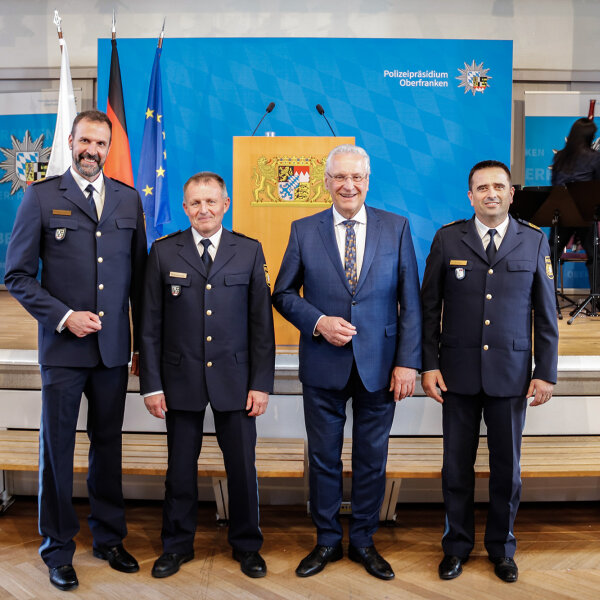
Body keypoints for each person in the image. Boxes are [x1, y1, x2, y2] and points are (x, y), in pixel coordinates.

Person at [5, 110, 147, 591]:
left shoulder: (129, 200)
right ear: (70, 141)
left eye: (101, 143)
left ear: (109, 148)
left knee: (108, 448)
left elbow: (141, 284)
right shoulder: (41, 197)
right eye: (85, 140)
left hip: (112, 354)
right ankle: (58, 549)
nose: (92, 150)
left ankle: (108, 538)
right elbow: (17, 276)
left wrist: (141, 348)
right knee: (57, 450)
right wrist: (65, 316)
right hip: (64, 352)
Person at [272, 144, 422, 581]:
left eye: (356, 177)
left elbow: (409, 302)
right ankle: (325, 541)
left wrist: (407, 363)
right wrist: (317, 322)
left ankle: (363, 541)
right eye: (340, 177)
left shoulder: (396, 228)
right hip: (323, 362)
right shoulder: (304, 230)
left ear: (368, 181)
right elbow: (281, 294)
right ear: (326, 181)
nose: (348, 185)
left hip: (382, 366)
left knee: (372, 458)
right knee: (323, 458)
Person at [421, 160, 558, 583]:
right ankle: (456, 547)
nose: (491, 194)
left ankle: (502, 549)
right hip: (457, 375)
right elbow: (429, 310)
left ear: (512, 193)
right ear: (470, 195)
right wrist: (428, 365)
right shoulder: (447, 239)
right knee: (456, 469)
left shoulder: (534, 242)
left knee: (506, 470)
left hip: (512, 374)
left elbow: (546, 315)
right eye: (482, 188)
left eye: (499, 186)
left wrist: (545, 371)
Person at [140, 172, 275, 580]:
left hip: (236, 381)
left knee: (242, 468)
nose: (203, 209)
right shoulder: (163, 253)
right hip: (180, 381)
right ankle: (176, 545)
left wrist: (261, 384)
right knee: (180, 469)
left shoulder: (249, 251)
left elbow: (261, 326)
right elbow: (149, 326)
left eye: (211, 202)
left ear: (225, 204)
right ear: (185, 208)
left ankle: (247, 546)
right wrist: (152, 385)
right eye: (195, 203)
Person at [550, 117, 600, 303]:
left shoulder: (560, 156)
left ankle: (547, 298)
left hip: (561, 213)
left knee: (551, 254)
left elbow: (555, 185)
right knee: (594, 256)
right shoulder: (595, 158)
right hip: (585, 213)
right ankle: (596, 298)